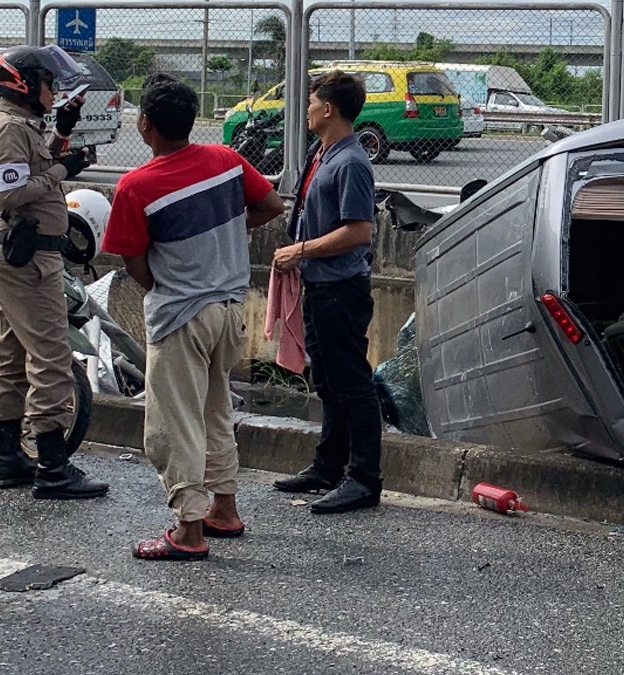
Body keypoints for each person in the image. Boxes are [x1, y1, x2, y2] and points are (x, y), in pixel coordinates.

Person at [101, 74, 285, 560]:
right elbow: (270, 203)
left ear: (145, 125)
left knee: (174, 424)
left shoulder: (136, 186)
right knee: (215, 411)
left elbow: (132, 260)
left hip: (181, 316)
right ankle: (224, 507)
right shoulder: (224, 161)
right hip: (230, 313)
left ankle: (188, 530)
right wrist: (226, 233)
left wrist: (163, 286)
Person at [272, 71, 382, 515]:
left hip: (340, 288)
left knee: (353, 384)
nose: (308, 108)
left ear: (329, 108)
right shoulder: (322, 154)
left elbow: (358, 231)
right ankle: (328, 465)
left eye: (312, 101)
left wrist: (301, 249)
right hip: (318, 285)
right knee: (329, 382)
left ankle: (364, 478)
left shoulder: (352, 162)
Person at [0, 45, 107, 499]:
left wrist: (60, 134)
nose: (54, 91)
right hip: (28, 261)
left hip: (23, 257)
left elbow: (29, 169)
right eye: (48, 84)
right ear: (22, 84)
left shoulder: (21, 125)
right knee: (50, 357)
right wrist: (66, 166)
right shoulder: (9, 127)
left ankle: (8, 456)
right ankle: (53, 467)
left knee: (10, 356)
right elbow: (8, 194)